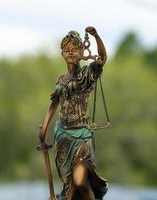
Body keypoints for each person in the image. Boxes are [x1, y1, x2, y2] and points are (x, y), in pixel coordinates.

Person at [38, 26, 108, 200]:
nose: (70, 53)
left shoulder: (86, 74)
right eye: (66, 50)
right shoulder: (61, 79)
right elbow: (54, 102)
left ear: (82, 52)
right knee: (70, 186)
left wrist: (96, 36)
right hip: (63, 136)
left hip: (81, 137)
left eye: (75, 50)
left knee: (80, 181)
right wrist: (44, 128)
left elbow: (102, 59)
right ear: (62, 52)